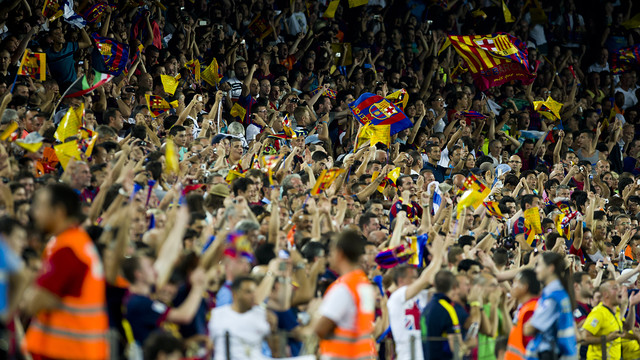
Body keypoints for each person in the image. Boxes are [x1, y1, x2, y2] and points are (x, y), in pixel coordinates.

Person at [23, 183, 109, 360]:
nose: (34, 213)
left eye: (40, 206)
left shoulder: (68, 250)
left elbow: (35, 303)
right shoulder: (75, 242)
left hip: (67, 352)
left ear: (59, 211)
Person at [314, 229, 376, 360]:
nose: (329, 257)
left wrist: (313, 313)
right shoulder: (365, 285)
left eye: (331, 252)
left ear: (339, 254)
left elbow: (320, 329)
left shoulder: (343, 287)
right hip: (362, 355)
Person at [524, 252, 578, 360]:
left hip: (551, 354)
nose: (536, 270)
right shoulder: (560, 293)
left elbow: (528, 329)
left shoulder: (553, 297)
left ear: (550, 268)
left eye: (539, 265)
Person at [581, 279, 640, 360]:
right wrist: (606, 339)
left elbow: (627, 327)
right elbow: (584, 338)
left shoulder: (616, 312)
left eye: (619, 287)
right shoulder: (599, 313)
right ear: (606, 294)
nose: (620, 290)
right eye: (615, 288)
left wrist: (632, 305)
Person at [421, 270, 464, 360]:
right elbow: (456, 347)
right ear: (454, 287)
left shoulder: (427, 308)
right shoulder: (448, 309)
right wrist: (467, 347)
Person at [505, 269, 540, 360]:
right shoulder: (526, 307)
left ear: (525, 287)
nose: (512, 286)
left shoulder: (531, 310)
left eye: (515, 282)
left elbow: (531, 347)